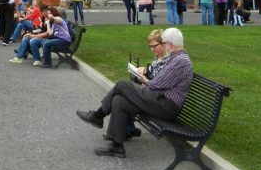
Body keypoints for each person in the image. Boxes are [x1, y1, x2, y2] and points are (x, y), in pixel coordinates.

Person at [77, 27, 194, 158]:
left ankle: (98, 116)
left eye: (164, 43)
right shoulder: (176, 58)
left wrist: (144, 81)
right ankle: (117, 146)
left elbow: (157, 84)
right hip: (159, 99)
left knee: (122, 85)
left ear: (170, 44)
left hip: (166, 105)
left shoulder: (180, 61)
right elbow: (159, 83)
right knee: (119, 101)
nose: (164, 46)